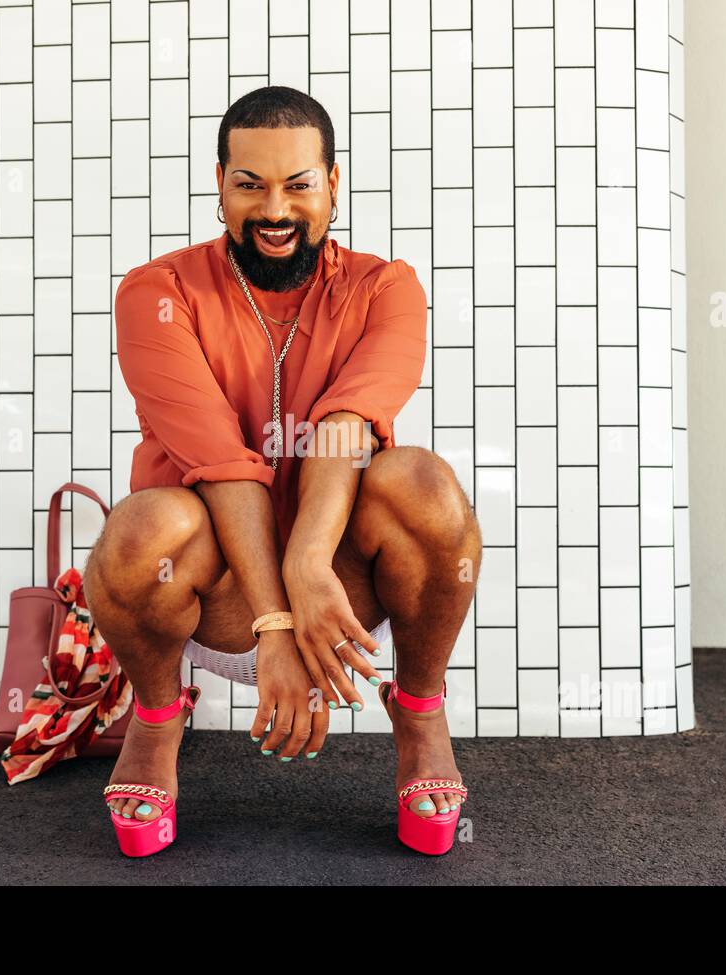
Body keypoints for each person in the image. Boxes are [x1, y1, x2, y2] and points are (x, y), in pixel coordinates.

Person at [83, 85, 482, 855]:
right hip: (215, 592)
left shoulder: (384, 288)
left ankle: (421, 710)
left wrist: (305, 563)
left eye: (298, 184)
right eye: (249, 184)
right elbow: (220, 461)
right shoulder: (155, 293)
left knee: (423, 485)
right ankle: (158, 719)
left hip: (338, 591)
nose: (274, 209)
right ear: (219, 187)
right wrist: (272, 619)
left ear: (333, 184)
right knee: (138, 530)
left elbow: (343, 426)